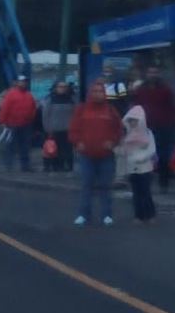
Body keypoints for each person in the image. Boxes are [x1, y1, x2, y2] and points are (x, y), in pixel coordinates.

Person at [69, 83, 123, 227]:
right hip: (87, 155)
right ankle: (83, 214)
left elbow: (119, 129)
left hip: (106, 156)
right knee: (86, 185)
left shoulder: (110, 110)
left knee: (105, 186)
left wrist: (113, 142)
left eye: (100, 91)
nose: (98, 94)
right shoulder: (81, 109)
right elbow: (74, 129)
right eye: (95, 91)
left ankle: (107, 214)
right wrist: (77, 142)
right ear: (90, 93)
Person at [133, 66, 175, 193]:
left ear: (158, 74)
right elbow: (136, 107)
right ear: (146, 74)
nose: (152, 75)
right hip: (146, 127)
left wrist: (171, 124)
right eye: (150, 72)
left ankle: (163, 183)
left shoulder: (165, 90)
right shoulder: (141, 90)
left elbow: (172, 108)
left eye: (155, 72)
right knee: (146, 155)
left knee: (163, 156)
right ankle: (147, 181)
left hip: (163, 127)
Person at [121, 106, 157, 224]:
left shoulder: (148, 133)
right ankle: (138, 215)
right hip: (132, 168)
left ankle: (150, 214)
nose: (132, 123)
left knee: (146, 192)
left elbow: (151, 150)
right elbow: (124, 151)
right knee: (136, 193)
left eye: (135, 120)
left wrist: (141, 158)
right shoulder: (127, 135)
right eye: (130, 120)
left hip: (145, 167)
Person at [0, 75, 37, 173]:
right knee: (10, 145)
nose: (23, 83)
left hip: (26, 124)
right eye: (21, 81)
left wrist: (30, 118)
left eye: (25, 81)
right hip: (12, 124)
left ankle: (25, 166)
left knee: (25, 146)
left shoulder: (29, 95)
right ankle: (8, 165)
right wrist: (2, 121)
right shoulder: (11, 94)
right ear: (17, 83)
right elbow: (5, 108)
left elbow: (33, 108)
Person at [42, 82, 76, 172]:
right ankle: (55, 166)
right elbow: (45, 115)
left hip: (68, 130)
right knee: (54, 149)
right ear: (56, 88)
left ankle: (68, 166)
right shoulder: (50, 100)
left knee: (67, 150)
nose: (63, 88)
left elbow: (75, 114)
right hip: (54, 130)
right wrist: (47, 129)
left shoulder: (71, 100)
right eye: (60, 87)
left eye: (65, 87)